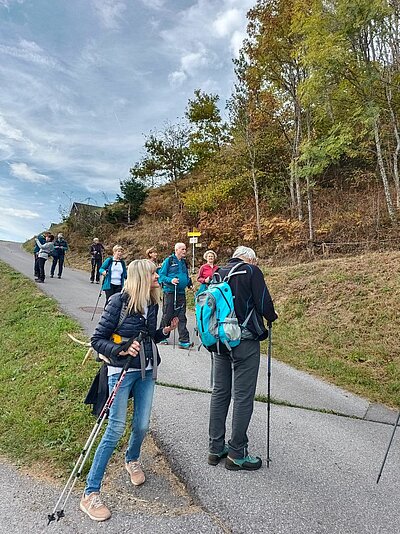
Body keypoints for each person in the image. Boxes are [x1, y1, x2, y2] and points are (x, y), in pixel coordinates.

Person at [80, 259, 178, 521]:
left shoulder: (153, 302)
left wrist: (164, 332)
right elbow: (97, 340)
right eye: (154, 272)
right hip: (121, 372)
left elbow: (149, 336)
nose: (158, 275)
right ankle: (90, 493)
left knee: (143, 424)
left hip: (146, 370)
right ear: (141, 277)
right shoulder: (119, 302)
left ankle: (132, 459)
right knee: (114, 429)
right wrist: (121, 350)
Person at [208, 246, 278, 471]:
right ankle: (237, 452)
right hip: (244, 342)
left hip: (219, 342)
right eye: (255, 260)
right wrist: (272, 316)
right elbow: (264, 304)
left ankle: (215, 448)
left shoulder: (218, 272)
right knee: (242, 396)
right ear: (250, 258)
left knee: (220, 393)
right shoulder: (250, 271)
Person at [158, 242, 193, 349]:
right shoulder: (169, 261)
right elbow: (161, 275)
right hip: (170, 291)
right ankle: (161, 335)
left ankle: (183, 340)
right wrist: (171, 280)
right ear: (176, 250)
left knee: (182, 316)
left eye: (185, 249)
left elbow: (186, 275)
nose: (184, 251)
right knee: (168, 314)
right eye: (182, 249)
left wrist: (189, 283)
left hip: (181, 292)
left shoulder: (184, 262)